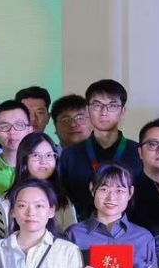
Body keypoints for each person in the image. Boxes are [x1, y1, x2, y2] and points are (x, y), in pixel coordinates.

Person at [57, 80, 144, 221]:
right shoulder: (70, 155)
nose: (104, 112)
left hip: (129, 230)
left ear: (122, 111)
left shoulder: (139, 153)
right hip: (81, 230)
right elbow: (63, 203)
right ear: (87, 110)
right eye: (97, 105)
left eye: (112, 105)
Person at [9, 132, 77, 233]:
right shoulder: (7, 200)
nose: (43, 161)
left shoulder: (63, 200)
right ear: (23, 159)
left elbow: (72, 236)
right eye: (36, 155)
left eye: (49, 155)